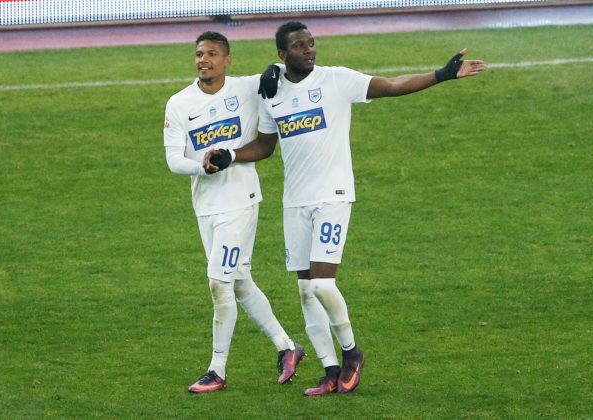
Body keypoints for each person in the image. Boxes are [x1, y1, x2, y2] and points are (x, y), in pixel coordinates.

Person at [204, 21, 487, 396]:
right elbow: (265, 147)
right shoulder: (272, 92)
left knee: (322, 284)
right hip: (295, 201)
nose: (309, 49)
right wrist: (231, 155)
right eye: (300, 46)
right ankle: (330, 370)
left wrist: (442, 74)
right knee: (306, 292)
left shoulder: (336, 80)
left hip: (333, 196)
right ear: (283, 54)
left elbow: (392, 85)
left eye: (311, 43)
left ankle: (352, 353)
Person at [163, 31, 305, 394]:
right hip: (205, 206)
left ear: (227, 60)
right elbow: (174, 160)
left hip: (240, 202)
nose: (204, 60)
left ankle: (217, 369)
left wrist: (273, 69)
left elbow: (283, 70)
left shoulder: (245, 88)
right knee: (239, 282)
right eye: (199, 54)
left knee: (219, 283)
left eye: (212, 54)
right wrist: (202, 166)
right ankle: (287, 347)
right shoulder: (179, 103)